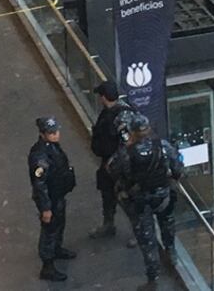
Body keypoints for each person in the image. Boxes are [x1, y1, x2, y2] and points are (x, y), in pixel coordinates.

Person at [108, 114, 185, 288]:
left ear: (133, 132)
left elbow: (113, 170)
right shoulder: (162, 146)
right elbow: (178, 166)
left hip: (140, 200)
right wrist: (174, 178)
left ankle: (153, 278)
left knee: (147, 239)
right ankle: (171, 252)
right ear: (148, 129)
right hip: (163, 195)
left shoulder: (127, 152)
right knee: (167, 222)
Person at [28, 116, 77, 282]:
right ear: (43, 134)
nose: (56, 135)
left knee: (59, 223)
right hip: (50, 198)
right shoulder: (40, 156)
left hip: (58, 194)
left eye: (56, 131)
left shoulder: (52, 147)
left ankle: (57, 249)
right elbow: (40, 185)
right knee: (49, 230)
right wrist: (46, 208)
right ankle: (47, 266)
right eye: (51, 133)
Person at [89, 80, 136, 241]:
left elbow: (128, 143)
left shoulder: (123, 115)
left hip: (120, 166)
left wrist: (115, 162)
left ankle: (137, 232)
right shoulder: (108, 112)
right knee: (107, 194)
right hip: (107, 162)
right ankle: (108, 224)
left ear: (104, 97)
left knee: (127, 198)